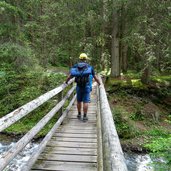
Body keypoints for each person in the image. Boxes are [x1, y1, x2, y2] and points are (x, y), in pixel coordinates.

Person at [65, 53, 101, 122]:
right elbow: (95, 77)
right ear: (86, 59)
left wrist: (66, 82)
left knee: (78, 101)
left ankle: (79, 114)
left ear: (80, 58)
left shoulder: (76, 66)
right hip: (86, 86)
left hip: (78, 86)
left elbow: (70, 76)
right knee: (86, 101)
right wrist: (99, 83)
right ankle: (84, 116)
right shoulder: (89, 66)